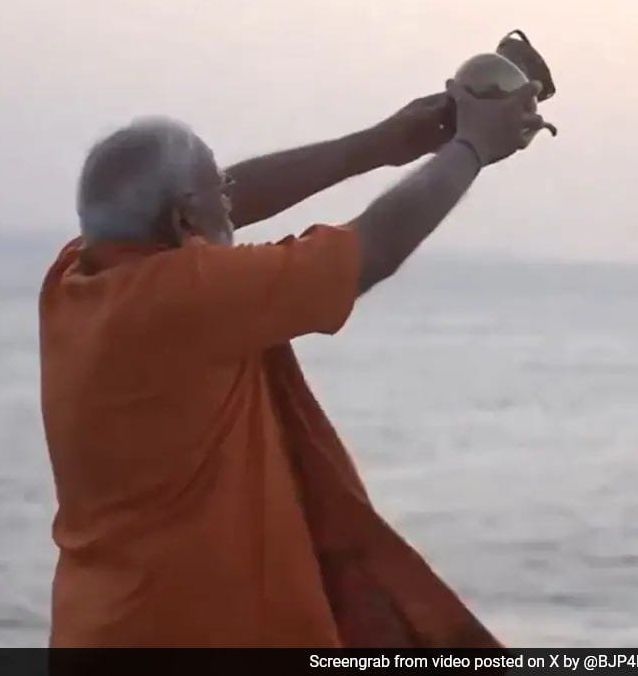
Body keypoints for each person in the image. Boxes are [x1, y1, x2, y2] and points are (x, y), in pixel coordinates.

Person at [38, 79, 549, 647]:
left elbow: (231, 198)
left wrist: (380, 144)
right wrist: (473, 147)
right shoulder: (190, 294)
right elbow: (370, 250)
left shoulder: (75, 278)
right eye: (217, 191)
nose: (231, 198)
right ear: (185, 221)